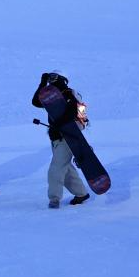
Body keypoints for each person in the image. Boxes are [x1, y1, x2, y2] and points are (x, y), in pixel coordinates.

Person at [32, 72, 90, 209]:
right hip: (57, 138)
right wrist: (42, 83)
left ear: (62, 79)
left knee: (56, 169)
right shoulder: (51, 96)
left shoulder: (67, 93)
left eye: (53, 77)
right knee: (66, 168)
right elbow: (36, 102)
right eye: (49, 78)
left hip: (67, 137)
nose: (51, 80)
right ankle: (81, 194)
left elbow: (71, 113)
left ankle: (54, 199)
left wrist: (58, 125)